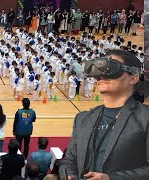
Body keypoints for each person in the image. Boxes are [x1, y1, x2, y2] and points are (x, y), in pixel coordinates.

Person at [60, 50, 149, 180]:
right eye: (100, 70)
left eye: (111, 68)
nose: (102, 76)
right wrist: (70, 175)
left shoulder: (145, 118)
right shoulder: (82, 119)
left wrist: (111, 178)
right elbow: (68, 161)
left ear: (133, 78)